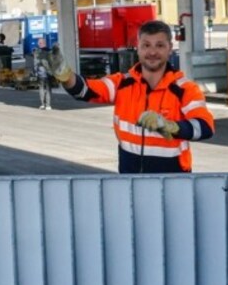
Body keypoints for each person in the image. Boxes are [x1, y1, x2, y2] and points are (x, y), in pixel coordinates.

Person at [46, 20, 215, 173]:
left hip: (173, 182)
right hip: (130, 182)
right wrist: (66, 77)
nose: (152, 52)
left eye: (160, 45)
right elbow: (85, 90)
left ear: (170, 49)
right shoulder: (122, 84)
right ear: (138, 47)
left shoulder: (184, 89)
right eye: (146, 45)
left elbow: (205, 127)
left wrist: (172, 126)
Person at [34, 38, 52, 110]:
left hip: (41, 73)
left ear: (40, 44)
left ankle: (42, 104)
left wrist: (35, 72)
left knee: (41, 88)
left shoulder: (37, 52)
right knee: (48, 89)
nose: (38, 44)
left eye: (39, 43)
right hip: (49, 73)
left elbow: (35, 63)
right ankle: (48, 105)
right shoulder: (50, 51)